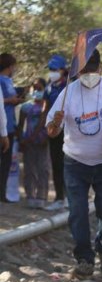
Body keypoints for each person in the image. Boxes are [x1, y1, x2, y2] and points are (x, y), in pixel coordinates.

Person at [46, 49, 102, 280]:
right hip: (75, 162)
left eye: (93, 69)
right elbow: (52, 132)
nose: (89, 74)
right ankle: (84, 259)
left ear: (100, 68)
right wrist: (55, 123)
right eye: (84, 70)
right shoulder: (67, 94)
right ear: (77, 71)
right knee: (78, 212)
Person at [16, 78, 50, 209]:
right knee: (29, 169)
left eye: (39, 88)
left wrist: (41, 137)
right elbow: (20, 125)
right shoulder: (26, 107)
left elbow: (46, 124)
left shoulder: (47, 106)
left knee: (43, 169)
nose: (36, 91)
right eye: (34, 88)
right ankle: (30, 194)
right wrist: (21, 140)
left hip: (42, 141)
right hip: (28, 142)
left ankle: (41, 196)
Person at [43, 54, 69, 211]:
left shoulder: (69, 86)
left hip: (67, 131)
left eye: (54, 69)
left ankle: (69, 197)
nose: (52, 72)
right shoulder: (49, 86)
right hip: (53, 130)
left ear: (62, 70)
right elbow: (45, 108)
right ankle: (59, 197)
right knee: (56, 163)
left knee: (68, 164)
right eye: (50, 69)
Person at [0, 53, 25, 203]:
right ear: (9, 66)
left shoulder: (9, 81)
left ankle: (2, 193)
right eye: (13, 66)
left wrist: (16, 100)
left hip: (9, 126)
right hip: (2, 127)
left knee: (6, 161)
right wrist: (11, 100)